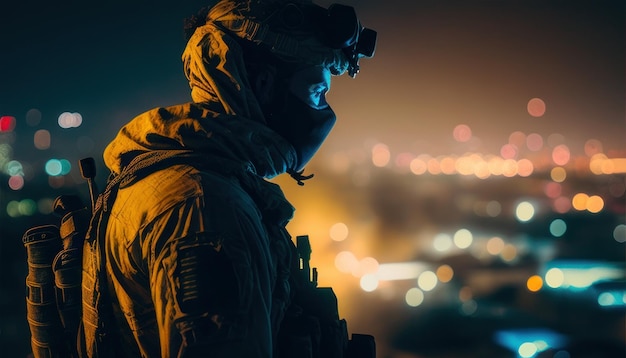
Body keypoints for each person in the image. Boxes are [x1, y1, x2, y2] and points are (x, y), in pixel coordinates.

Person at [78, 0, 375, 357]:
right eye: (316, 91)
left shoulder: (175, 179)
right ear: (264, 85)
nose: (324, 113)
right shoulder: (204, 207)